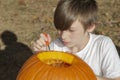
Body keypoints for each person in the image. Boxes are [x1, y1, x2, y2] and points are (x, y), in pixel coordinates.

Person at [32, 0, 120, 80]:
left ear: (90, 26)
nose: (63, 36)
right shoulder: (55, 47)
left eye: (71, 30)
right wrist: (41, 58)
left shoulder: (103, 45)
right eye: (60, 28)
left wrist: (82, 75)